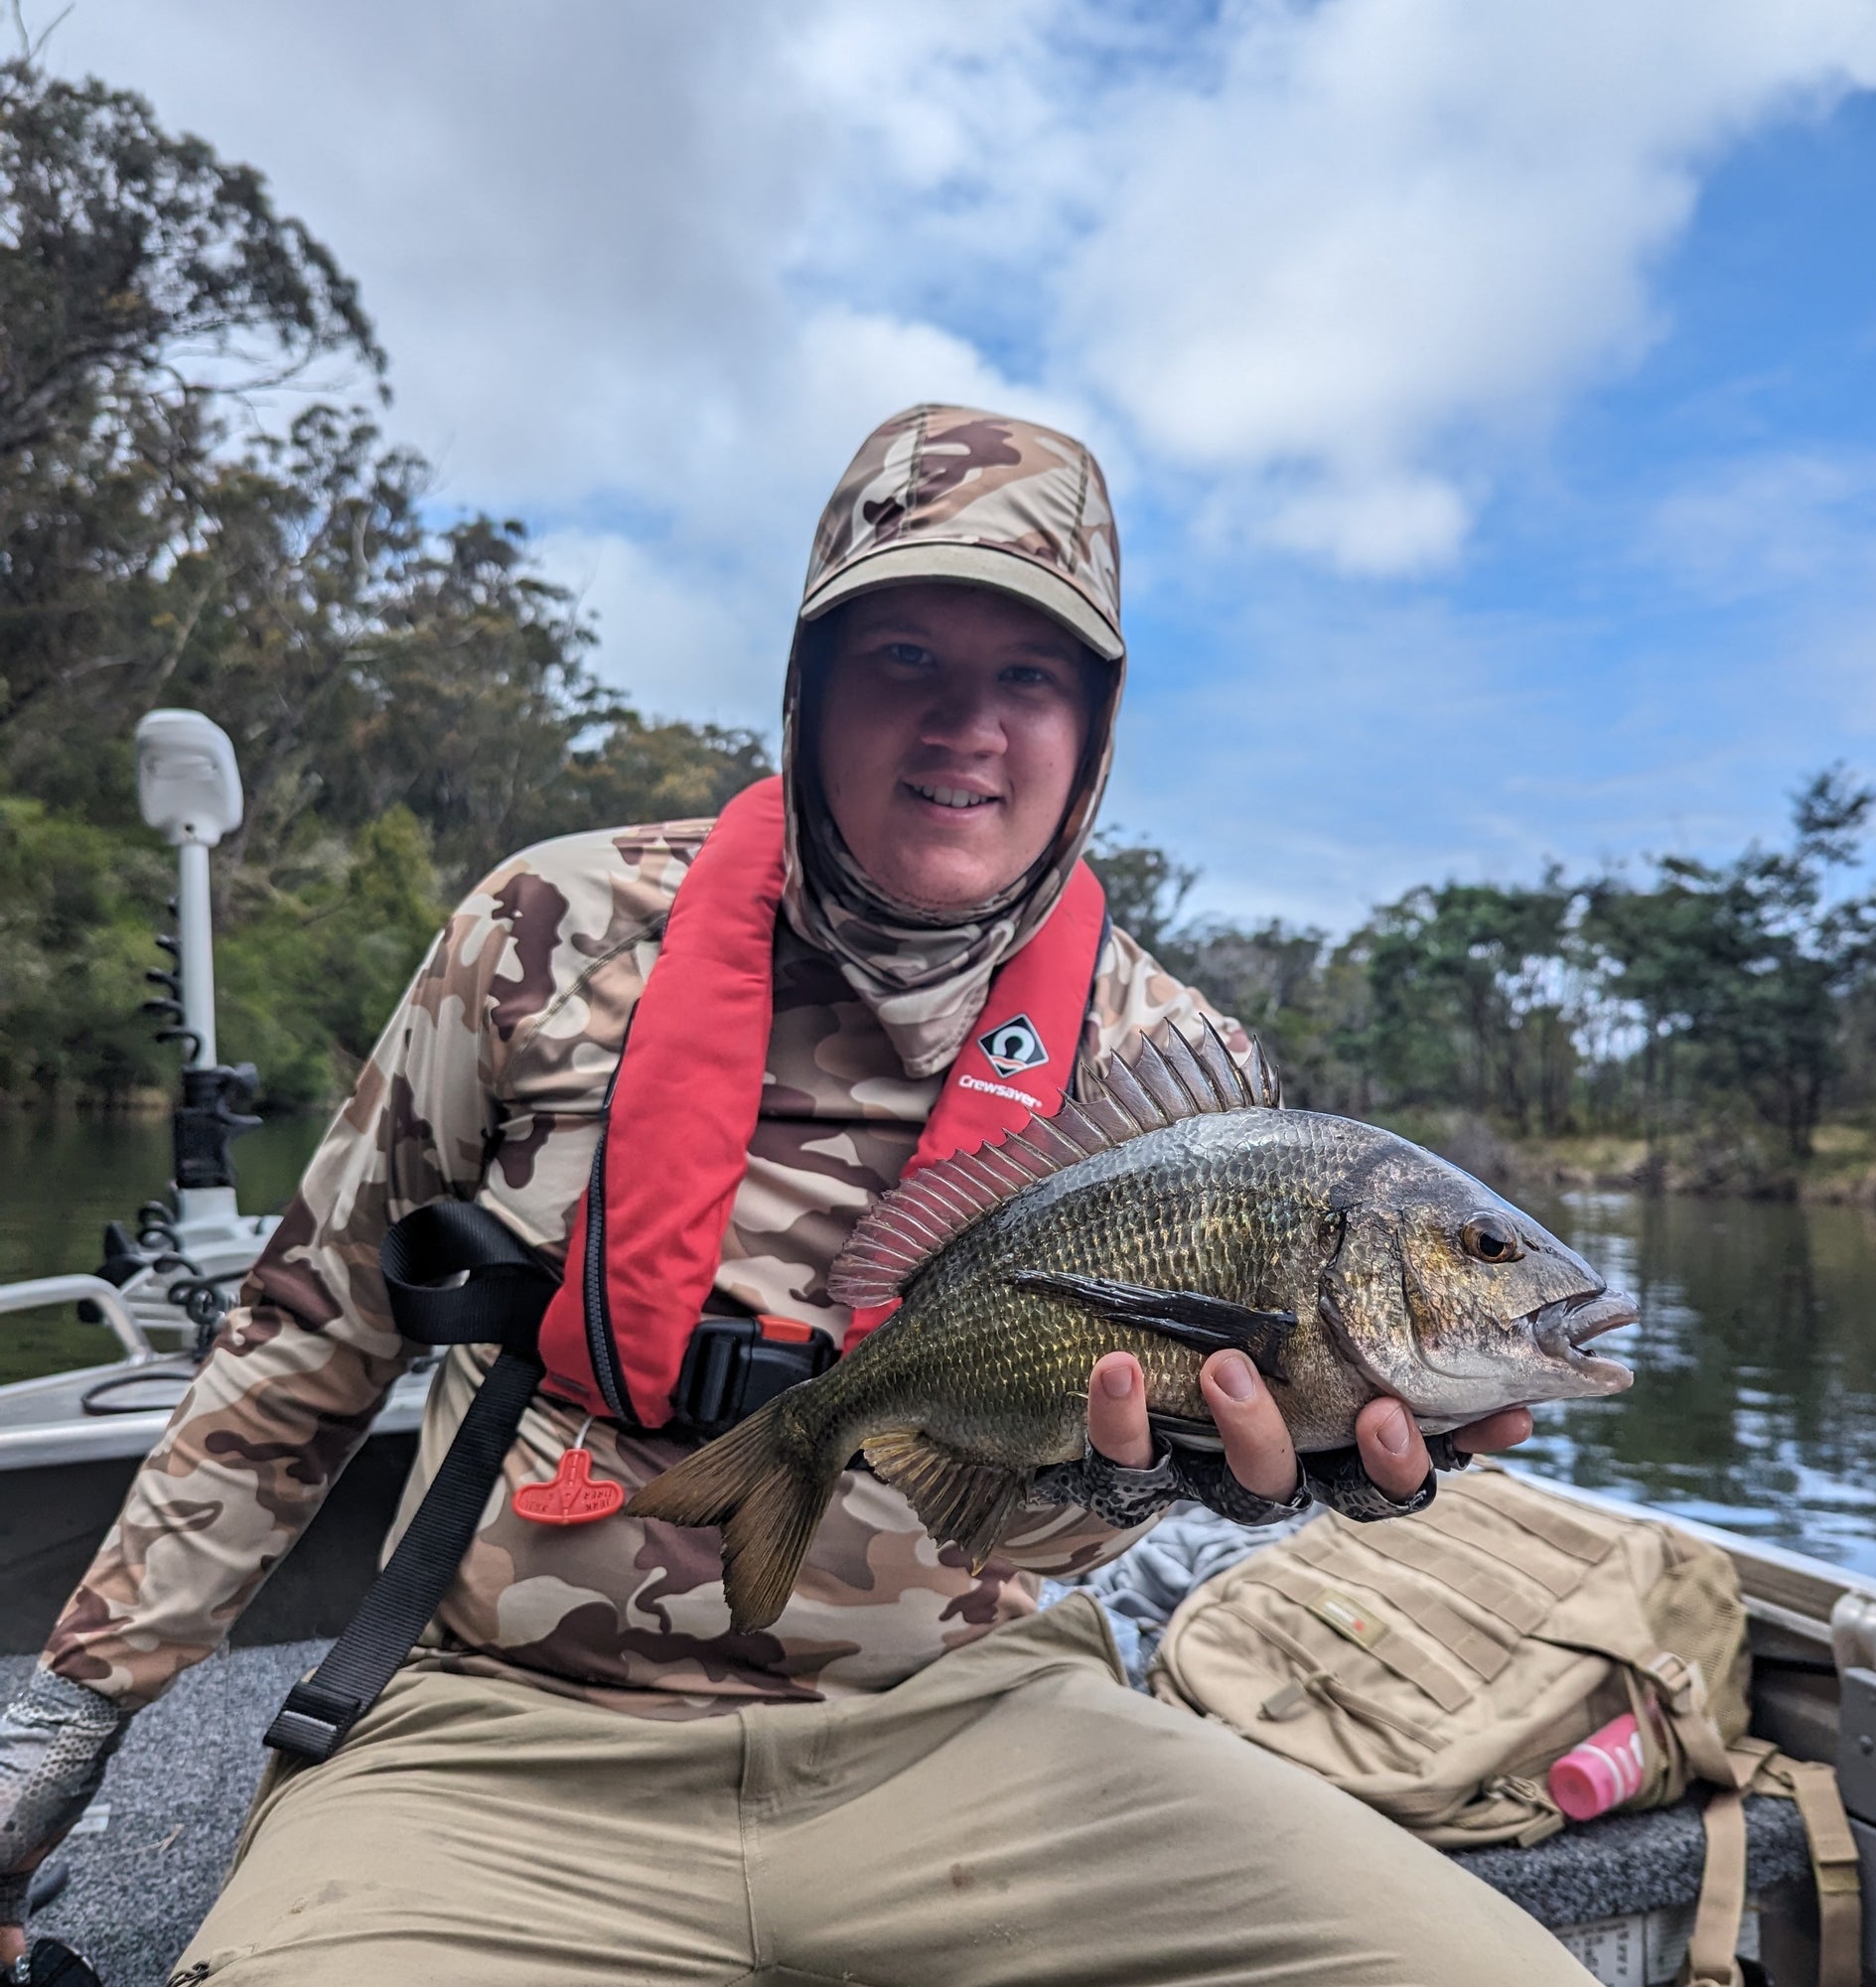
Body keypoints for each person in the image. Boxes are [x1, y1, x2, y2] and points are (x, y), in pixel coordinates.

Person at [1, 404, 1589, 1985]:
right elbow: (310, 1329)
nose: (967, 723)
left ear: (1094, 727)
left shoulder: (1178, 1061)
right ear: (808, 687)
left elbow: (1077, 1489)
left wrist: (1178, 1482)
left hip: (985, 1729)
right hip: (506, 1739)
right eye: (904, 656)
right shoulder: (547, 931)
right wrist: (71, 1711)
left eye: (1029, 674)